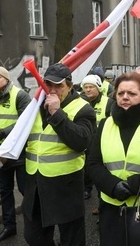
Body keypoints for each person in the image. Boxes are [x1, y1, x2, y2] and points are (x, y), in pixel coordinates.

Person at [86, 72, 140, 246]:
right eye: (120, 93)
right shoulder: (105, 124)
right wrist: (113, 186)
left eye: (132, 94)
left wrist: (135, 185)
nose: (125, 97)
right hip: (112, 209)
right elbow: (93, 163)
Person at [22, 63, 96, 246]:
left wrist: (56, 113)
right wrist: (3, 153)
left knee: (72, 240)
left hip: (66, 185)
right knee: (34, 237)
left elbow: (81, 142)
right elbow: (21, 136)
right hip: (37, 184)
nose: (53, 90)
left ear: (70, 86)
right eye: (48, 85)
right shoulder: (35, 106)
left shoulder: (83, 108)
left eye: (59, 85)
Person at [0, 66, 31, 243]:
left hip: (19, 152)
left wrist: (3, 132)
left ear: (6, 79)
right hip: (0, 152)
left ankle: (34, 224)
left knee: (25, 190)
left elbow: (26, 122)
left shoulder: (20, 95)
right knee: (6, 191)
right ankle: (9, 227)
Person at [80, 74, 114, 200]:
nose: (88, 90)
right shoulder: (80, 102)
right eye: (86, 87)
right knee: (86, 169)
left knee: (101, 173)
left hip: (102, 144)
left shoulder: (109, 103)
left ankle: (102, 201)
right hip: (86, 144)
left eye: (91, 87)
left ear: (98, 88)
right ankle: (86, 189)